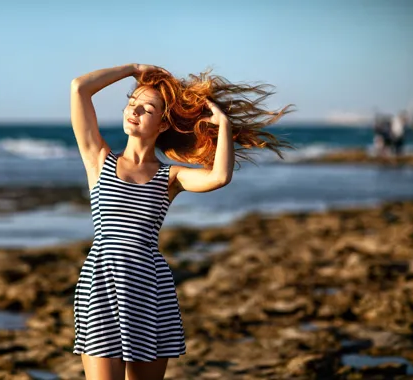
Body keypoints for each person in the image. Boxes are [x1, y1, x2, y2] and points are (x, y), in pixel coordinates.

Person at [70, 63, 293, 380]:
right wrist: (133, 69)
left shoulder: (169, 176)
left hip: (149, 287)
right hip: (102, 283)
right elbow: (80, 88)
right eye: (132, 103)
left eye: (146, 109)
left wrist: (224, 125)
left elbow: (219, 176)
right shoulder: (99, 160)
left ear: (162, 125)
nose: (134, 111)